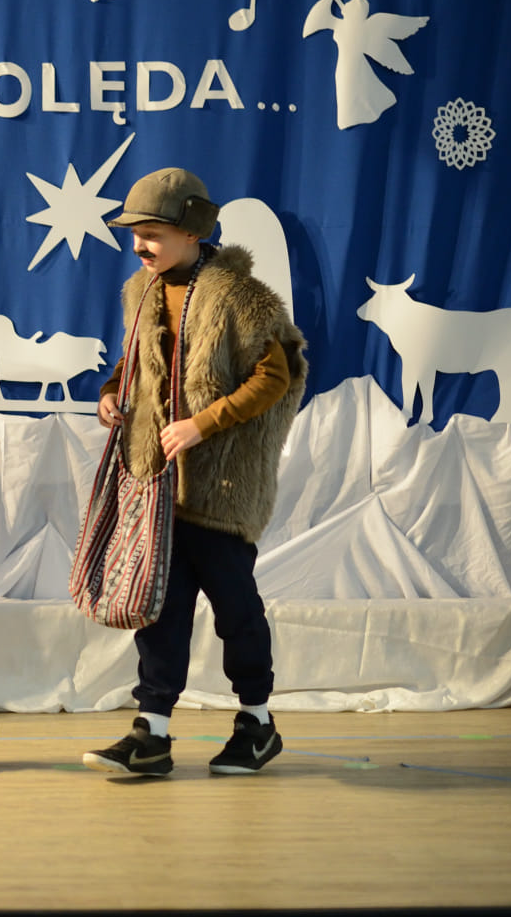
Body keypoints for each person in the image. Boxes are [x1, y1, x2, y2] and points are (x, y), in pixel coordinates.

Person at [81, 167, 307, 777]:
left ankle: (257, 724)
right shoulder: (142, 291)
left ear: (191, 232)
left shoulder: (238, 295)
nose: (140, 245)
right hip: (160, 489)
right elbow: (136, 362)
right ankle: (151, 733)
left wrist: (202, 424)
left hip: (222, 487)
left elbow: (275, 377)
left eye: (152, 233)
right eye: (135, 233)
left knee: (236, 609)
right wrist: (111, 393)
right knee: (160, 610)